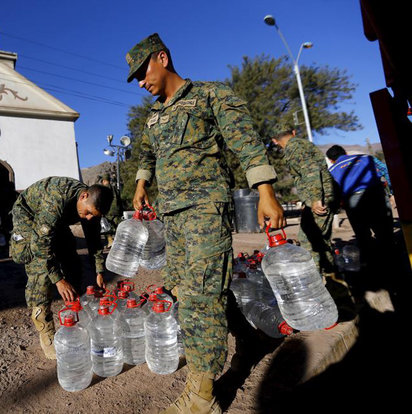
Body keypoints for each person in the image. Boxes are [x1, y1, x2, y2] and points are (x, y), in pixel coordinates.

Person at [125, 33, 285, 413]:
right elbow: (147, 151)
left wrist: (265, 190)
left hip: (205, 210)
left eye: (142, 72)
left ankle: (202, 395)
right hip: (174, 217)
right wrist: (141, 182)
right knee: (188, 289)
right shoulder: (154, 116)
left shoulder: (210, 95)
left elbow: (245, 140)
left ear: (161, 58)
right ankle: (249, 338)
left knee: (200, 298)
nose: (141, 83)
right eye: (135, 79)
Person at [9, 176, 114, 359]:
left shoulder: (91, 207)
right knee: (40, 270)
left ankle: (74, 319)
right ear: (83, 196)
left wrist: (99, 271)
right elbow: (41, 245)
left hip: (54, 222)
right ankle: (45, 329)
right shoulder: (56, 199)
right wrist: (58, 280)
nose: (89, 218)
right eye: (88, 213)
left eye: (93, 216)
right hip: (30, 215)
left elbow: (94, 241)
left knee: (72, 260)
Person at [270, 128, 339, 278]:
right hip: (323, 195)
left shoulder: (294, 147)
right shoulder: (300, 145)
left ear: (274, 141)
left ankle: (314, 281)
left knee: (308, 240)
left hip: (320, 197)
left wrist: (315, 200)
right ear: (294, 132)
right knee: (320, 240)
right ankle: (332, 278)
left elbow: (311, 170)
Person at [326, 145, 394, 270]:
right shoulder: (366, 158)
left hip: (353, 202)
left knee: (363, 236)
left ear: (331, 160)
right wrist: (392, 193)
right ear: (345, 152)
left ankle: (374, 268)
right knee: (385, 233)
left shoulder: (332, 170)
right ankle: (394, 265)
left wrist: (335, 207)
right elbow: (385, 170)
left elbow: (333, 193)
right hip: (376, 195)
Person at [100, 173, 123, 247]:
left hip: (108, 211)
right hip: (117, 210)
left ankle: (110, 241)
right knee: (118, 227)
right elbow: (119, 199)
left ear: (103, 181)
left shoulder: (103, 189)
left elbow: (102, 201)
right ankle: (120, 242)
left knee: (106, 227)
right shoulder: (115, 188)